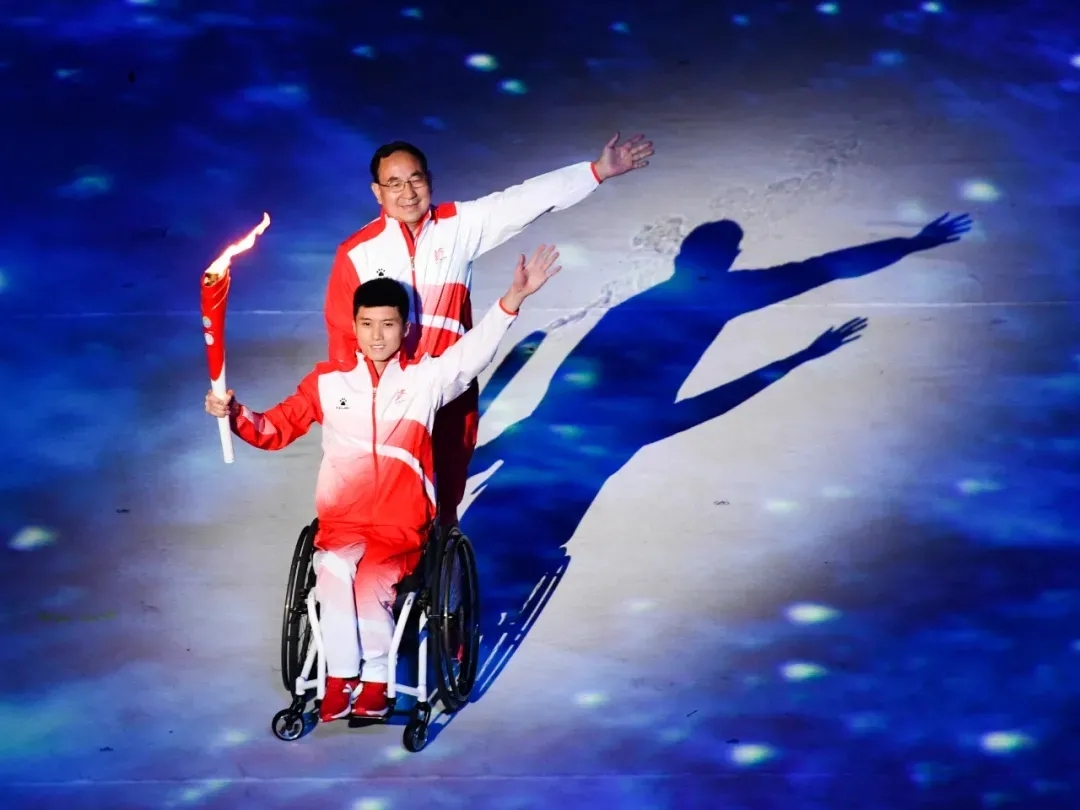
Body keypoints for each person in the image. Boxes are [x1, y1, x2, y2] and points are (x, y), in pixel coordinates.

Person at [205, 245, 563, 723]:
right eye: (367, 324)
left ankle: (376, 679)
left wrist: (513, 298)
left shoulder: (426, 379)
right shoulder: (327, 383)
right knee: (332, 574)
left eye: (388, 324)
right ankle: (340, 678)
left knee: (372, 581)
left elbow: (471, 355)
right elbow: (275, 429)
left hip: (400, 529)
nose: (377, 335)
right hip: (341, 525)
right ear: (353, 327)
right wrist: (234, 414)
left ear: (405, 328)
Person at [323, 133, 654, 527]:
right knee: (389, 492)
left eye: (415, 180)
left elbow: (523, 199)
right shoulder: (356, 252)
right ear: (377, 192)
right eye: (394, 184)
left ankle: (444, 546)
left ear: (429, 180)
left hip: (452, 381)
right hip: (394, 393)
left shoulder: (458, 226)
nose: (408, 193)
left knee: (447, 490)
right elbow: (342, 334)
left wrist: (595, 171)